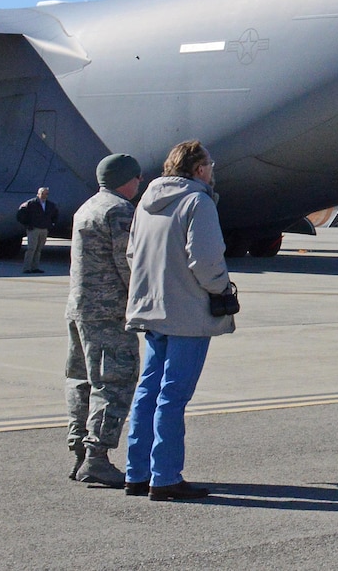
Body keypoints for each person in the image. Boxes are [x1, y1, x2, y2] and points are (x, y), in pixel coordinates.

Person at [122, 140, 236, 501]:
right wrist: (221, 291)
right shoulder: (198, 201)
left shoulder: (147, 202)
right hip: (186, 312)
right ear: (199, 169)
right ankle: (165, 476)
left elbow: (131, 252)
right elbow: (204, 259)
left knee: (148, 391)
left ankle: (137, 472)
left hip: (152, 308)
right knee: (173, 395)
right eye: (210, 166)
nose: (212, 171)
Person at [64, 153, 142, 487]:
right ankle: (97, 455)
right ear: (128, 179)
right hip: (109, 311)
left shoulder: (88, 206)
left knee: (81, 380)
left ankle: (80, 448)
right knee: (114, 382)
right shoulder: (119, 211)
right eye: (137, 178)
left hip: (80, 308)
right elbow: (129, 262)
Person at [17, 186, 59, 274]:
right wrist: (27, 224)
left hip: (44, 229)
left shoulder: (50, 205)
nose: (44, 196)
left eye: (46, 194)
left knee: (39, 249)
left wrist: (51, 224)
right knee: (31, 248)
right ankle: (27, 268)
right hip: (34, 229)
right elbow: (20, 214)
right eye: (42, 194)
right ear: (38, 194)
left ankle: (35, 267)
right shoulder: (31, 204)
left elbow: (55, 214)